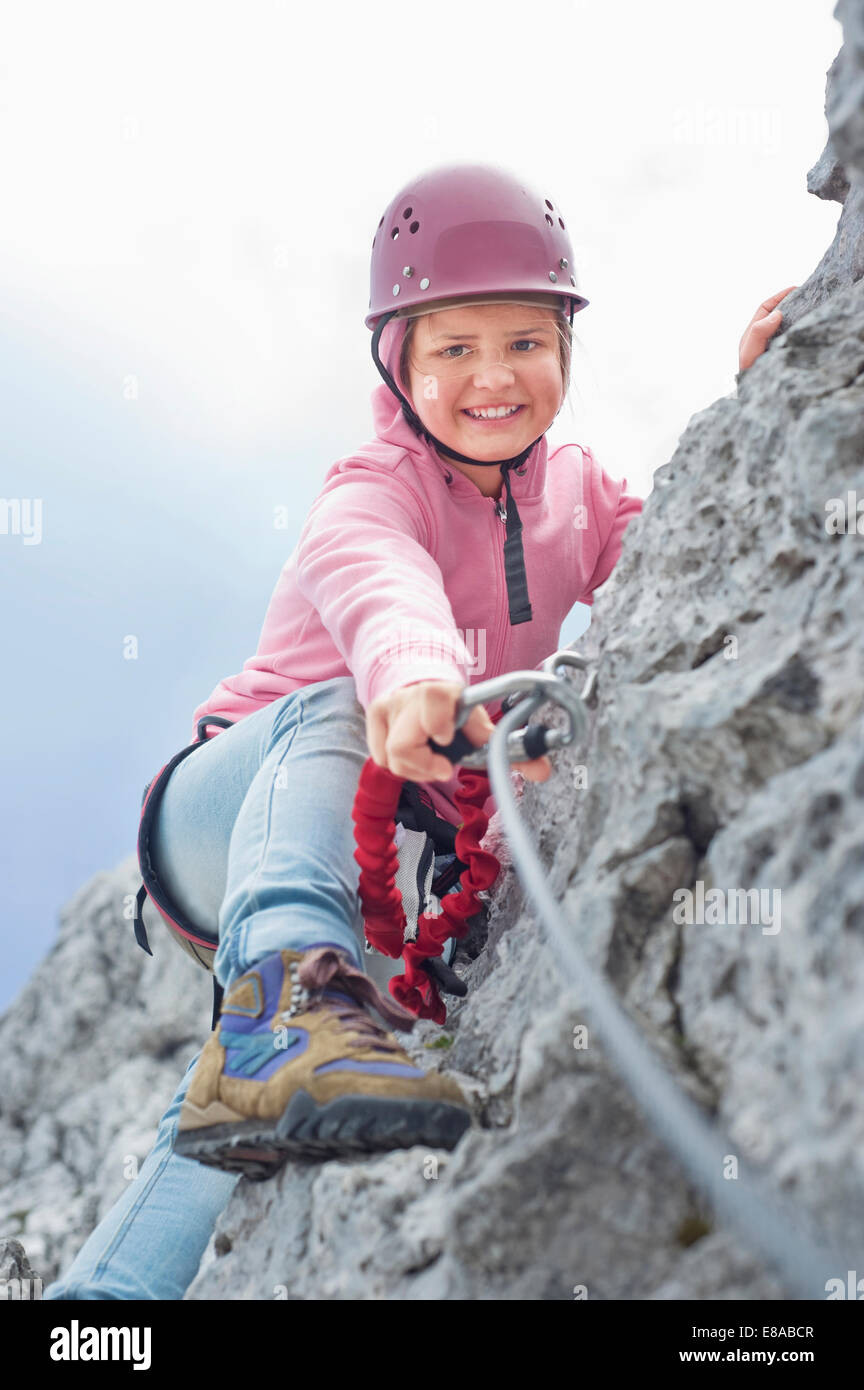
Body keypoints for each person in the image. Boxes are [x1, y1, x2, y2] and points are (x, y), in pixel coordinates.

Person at [44, 162, 789, 1300]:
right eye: (453, 349)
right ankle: (286, 989)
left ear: (565, 353)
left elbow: (688, 549)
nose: (493, 376)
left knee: (240, 1128)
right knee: (339, 697)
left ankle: (95, 1314)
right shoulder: (370, 488)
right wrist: (416, 674)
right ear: (397, 365)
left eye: (526, 343)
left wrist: (762, 407)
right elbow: (377, 586)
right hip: (231, 814)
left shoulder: (580, 492)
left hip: (382, 866)